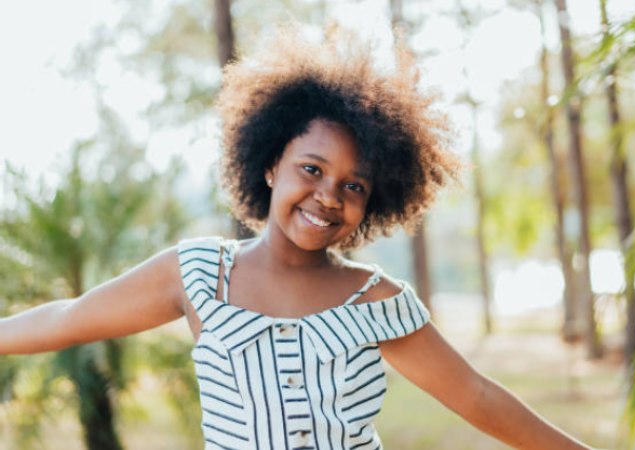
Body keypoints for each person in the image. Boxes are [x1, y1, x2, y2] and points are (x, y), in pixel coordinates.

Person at [0, 27, 594, 450]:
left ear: (373, 201)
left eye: (353, 185)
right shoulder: (199, 274)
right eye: (311, 169)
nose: (328, 197)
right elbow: (65, 317)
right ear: (269, 165)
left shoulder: (377, 301)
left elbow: (479, 397)